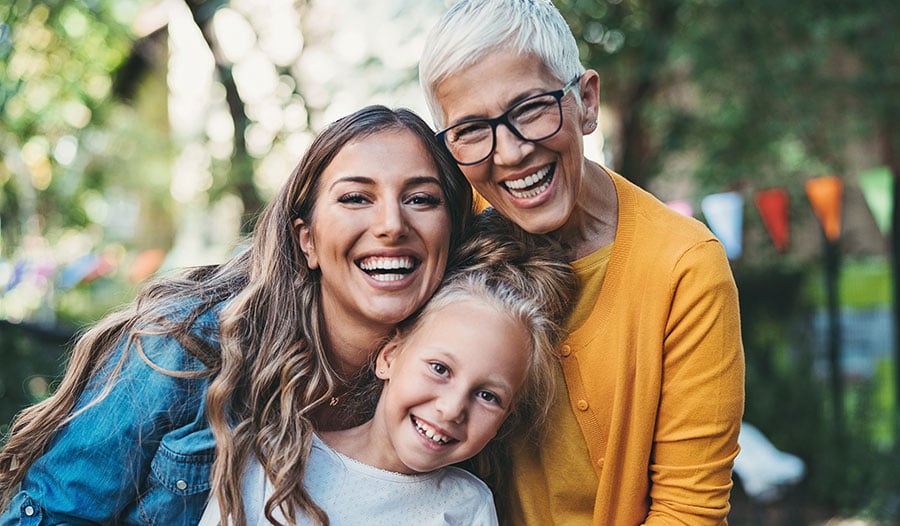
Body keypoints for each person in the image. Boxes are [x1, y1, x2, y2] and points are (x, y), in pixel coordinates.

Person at [0, 105, 475, 525]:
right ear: (306, 239)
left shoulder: (457, 386)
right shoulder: (187, 346)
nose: (392, 224)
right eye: (355, 198)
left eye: (421, 199)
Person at [419, 1, 746, 524]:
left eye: (529, 109)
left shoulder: (684, 267)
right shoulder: (447, 228)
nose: (509, 153)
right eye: (473, 130)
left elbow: (688, 511)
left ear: (586, 101)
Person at [200, 209, 579, 525]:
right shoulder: (275, 457)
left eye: (487, 395)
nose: (451, 408)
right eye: (440, 369)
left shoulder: (466, 507)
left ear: (505, 418)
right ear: (389, 356)